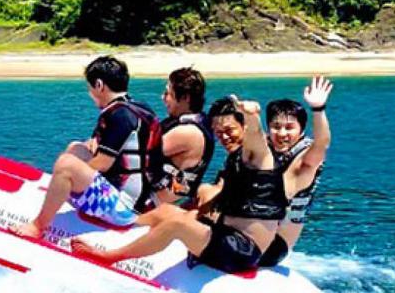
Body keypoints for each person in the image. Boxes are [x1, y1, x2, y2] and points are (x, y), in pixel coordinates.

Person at [72, 95, 285, 274]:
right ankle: (113, 230)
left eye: (230, 130)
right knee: (166, 212)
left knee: (178, 225)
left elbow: (256, 137)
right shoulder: (236, 158)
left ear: (244, 127)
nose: (224, 137)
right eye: (219, 133)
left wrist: (252, 115)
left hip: (242, 250)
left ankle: (109, 257)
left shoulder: (259, 156)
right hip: (226, 236)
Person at [14, 56, 162, 237]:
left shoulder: (119, 115)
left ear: (99, 85)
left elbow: (103, 163)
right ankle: (59, 193)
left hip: (124, 209)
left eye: (90, 88)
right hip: (137, 199)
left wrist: (71, 173)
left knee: (66, 164)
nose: (90, 94)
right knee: (75, 148)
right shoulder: (138, 107)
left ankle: (38, 227)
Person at [258, 76, 333, 267]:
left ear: (301, 130)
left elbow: (322, 143)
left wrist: (318, 109)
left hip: (276, 246)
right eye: (276, 127)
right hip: (256, 231)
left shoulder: (307, 155)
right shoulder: (266, 147)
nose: (282, 134)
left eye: (289, 128)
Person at [142, 67, 215, 211]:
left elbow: (137, 154)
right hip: (156, 201)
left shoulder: (188, 132)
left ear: (185, 98)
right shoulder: (185, 123)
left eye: (167, 93)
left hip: (158, 206)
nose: (163, 98)